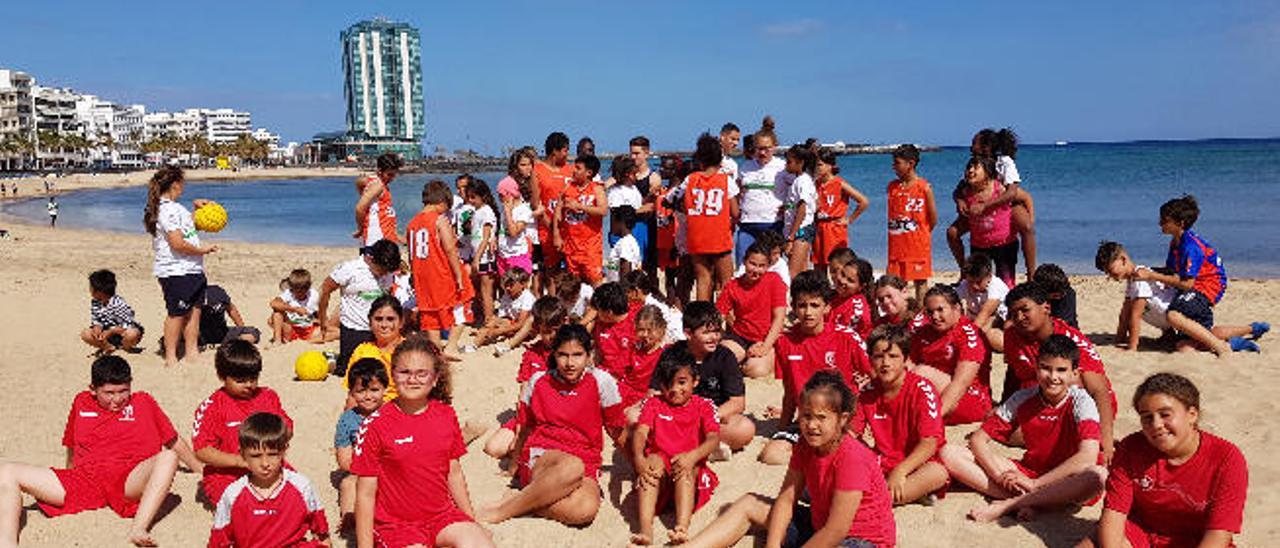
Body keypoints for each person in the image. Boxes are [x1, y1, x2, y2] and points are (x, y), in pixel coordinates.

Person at [680, 371, 896, 548]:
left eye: (822, 418)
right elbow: (786, 499)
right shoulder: (804, 443)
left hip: (862, 541)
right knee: (749, 503)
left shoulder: (852, 457)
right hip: (819, 525)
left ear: (843, 419)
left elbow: (837, 530)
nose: (812, 425)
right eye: (806, 416)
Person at [0, 356, 181, 547]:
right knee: (7, 471)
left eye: (123, 391)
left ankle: (138, 528)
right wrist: (68, 472)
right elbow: (71, 445)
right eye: (109, 393)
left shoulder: (143, 402)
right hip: (85, 479)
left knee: (169, 457)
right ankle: (6, 542)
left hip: (127, 478)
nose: (118, 399)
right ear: (93, 389)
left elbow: (173, 439)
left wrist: (201, 468)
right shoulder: (81, 402)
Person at [941, 335, 1108, 522]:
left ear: (1074, 374)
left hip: (1066, 478)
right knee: (949, 453)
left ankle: (1011, 503)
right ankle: (1034, 501)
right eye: (1045, 368)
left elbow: (1087, 457)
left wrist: (1035, 484)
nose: (1053, 377)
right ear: (1036, 368)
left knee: (1098, 476)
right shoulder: (1023, 397)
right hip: (1030, 471)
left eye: (1061, 370)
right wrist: (999, 476)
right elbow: (978, 439)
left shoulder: (1081, 401)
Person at [352, 334, 494, 548]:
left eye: (421, 373)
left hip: (442, 517)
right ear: (392, 375)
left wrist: (471, 522)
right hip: (396, 526)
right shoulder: (374, 425)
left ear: (435, 378)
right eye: (405, 372)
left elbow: (453, 472)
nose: (412, 379)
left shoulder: (446, 414)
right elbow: (365, 493)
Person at [1077, 373, 1248, 548]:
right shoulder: (1130, 449)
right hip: (1141, 533)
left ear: (1192, 414)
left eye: (1165, 414)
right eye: (1147, 417)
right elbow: (1114, 515)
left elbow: (1218, 535)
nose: (1156, 424)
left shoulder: (1226, 458)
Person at [477, 325, 625, 526]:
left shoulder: (602, 382)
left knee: (585, 510)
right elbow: (525, 427)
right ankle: (504, 511)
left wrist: (639, 465)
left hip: (586, 459)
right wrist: (514, 465)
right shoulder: (538, 381)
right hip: (542, 455)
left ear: (589, 355)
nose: (570, 363)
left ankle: (524, 500)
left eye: (577, 355)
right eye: (563, 355)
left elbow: (616, 430)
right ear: (554, 355)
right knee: (572, 466)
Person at [760, 270, 872, 466]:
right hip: (808, 420)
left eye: (814, 305)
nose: (808, 312)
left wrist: (869, 418)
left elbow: (875, 377)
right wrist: (782, 427)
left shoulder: (846, 336)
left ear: (827, 307)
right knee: (771, 455)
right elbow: (790, 390)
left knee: (842, 451)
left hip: (842, 419)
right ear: (793, 307)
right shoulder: (785, 341)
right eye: (802, 306)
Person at [1130, 195, 1261, 356]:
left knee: (1173, 316)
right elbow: (1171, 270)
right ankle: (1250, 329)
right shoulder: (1176, 241)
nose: (1160, 223)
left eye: (1165, 220)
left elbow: (1187, 284)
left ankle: (1222, 347)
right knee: (1186, 346)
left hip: (1207, 287)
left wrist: (1151, 276)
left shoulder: (1191, 246)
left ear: (1180, 223)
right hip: (1194, 286)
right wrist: (1143, 270)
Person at [1001, 282, 1117, 460]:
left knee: (1016, 434)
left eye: (1025, 310)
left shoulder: (1070, 340)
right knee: (997, 423)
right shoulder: (1012, 335)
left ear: (1046, 307)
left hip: (1083, 402)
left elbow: (1099, 391)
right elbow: (1014, 372)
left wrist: (1106, 442)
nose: (1019, 317)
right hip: (1043, 397)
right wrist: (1005, 405)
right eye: (1013, 313)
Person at [1095, 240, 1265, 353]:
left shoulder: (1141, 278)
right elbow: (1125, 313)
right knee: (1187, 346)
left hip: (1186, 315)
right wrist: (1118, 339)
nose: (1111, 275)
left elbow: (1135, 315)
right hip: (1174, 322)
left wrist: (1132, 348)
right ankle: (1252, 329)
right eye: (1107, 273)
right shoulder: (1133, 280)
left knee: (1201, 339)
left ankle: (1236, 340)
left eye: (1111, 270)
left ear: (1124, 260)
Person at [630, 350, 721, 546]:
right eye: (667, 384)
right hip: (661, 468)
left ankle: (681, 527)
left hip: (689, 467)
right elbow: (640, 432)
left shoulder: (704, 405)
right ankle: (645, 530)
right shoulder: (653, 403)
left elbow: (714, 438)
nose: (674, 389)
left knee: (684, 466)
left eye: (681, 382)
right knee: (652, 462)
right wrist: (638, 458)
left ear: (695, 381)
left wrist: (692, 456)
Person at [851, 326, 949, 505]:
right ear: (870, 359)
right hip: (881, 463)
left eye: (893, 356)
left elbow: (929, 442)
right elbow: (851, 433)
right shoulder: (867, 392)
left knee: (937, 473)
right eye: (878, 356)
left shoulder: (922, 388)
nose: (885, 363)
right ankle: (887, 495)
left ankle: (870, 502)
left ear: (905, 359)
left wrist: (900, 471)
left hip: (917, 464)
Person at [193, 340, 294, 505]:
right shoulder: (211, 407)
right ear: (222, 376)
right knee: (244, 507)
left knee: (296, 495)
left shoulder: (268, 396)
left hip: (269, 467)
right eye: (240, 380)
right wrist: (240, 461)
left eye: (253, 379)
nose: (249, 385)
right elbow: (202, 450)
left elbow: (287, 428)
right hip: (228, 476)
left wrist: (278, 437)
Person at [209, 413, 329, 547]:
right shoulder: (233, 494)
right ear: (242, 454)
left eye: (272, 454)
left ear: (284, 450)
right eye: (256, 456)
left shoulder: (301, 486)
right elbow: (219, 540)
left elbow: (322, 533)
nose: (265, 463)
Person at [652, 302, 754, 455]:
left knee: (744, 428)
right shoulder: (672, 354)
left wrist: (704, 417)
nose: (714, 337)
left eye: (717, 331)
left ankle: (691, 447)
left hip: (710, 418)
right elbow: (654, 392)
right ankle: (705, 449)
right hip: (676, 417)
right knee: (634, 417)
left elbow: (737, 403)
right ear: (688, 333)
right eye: (707, 332)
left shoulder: (725, 357)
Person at [143, 165, 218, 367]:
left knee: (195, 312)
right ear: (176, 184)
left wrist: (197, 210)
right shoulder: (166, 210)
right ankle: (170, 356)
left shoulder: (177, 208)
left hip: (192, 269)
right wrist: (203, 250)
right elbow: (177, 243)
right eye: (183, 182)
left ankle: (192, 352)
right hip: (175, 271)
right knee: (176, 314)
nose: (184, 186)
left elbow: (188, 230)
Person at [483, 296, 567, 461]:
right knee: (493, 448)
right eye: (546, 331)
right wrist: (520, 432)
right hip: (534, 416)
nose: (552, 336)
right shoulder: (532, 355)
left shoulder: (572, 352)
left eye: (556, 330)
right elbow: (524, 397)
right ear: (537, 329)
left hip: (561, 418)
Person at [947, 128, 1038, 278]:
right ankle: (964, 270)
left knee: (1026, 227)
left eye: (974, 143)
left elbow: (1011, 193)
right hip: (981, 208)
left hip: (1006, 203)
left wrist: (985, 206)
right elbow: (960, 188)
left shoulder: (1004, 162)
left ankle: (1031, 274)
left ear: (986, 146)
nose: (970, 147)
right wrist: (959, 201)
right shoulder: (974, 165)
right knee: (952, 233)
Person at [910, 284, 994, 425]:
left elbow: (960, 383)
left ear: (957, 308)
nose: (935, 316)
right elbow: (908, 364)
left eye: (940, 310)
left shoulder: (969, 336)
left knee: (921, 372)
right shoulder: (924, 330)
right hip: (937, 392)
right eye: (930, 312)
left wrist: (933, 419)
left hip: (970, 399)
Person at [407, 180, 472, 356]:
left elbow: (411, 254)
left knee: (430, 314)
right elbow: (450, 249)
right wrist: (459, 275)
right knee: (463, 304)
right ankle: (451, 346)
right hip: (442, 273)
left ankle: (435, 348)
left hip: (422, 275)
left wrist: (414, 274)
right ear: (442, 202)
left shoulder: (412, 224)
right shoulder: (439, 220)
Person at [317, 239, 399, 376]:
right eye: (382, 270)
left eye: (388, 271)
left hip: (380, 329)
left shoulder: (388, 271)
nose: (385, 274)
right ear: (371, 259)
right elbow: (325, 289)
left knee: (382, 369)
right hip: (354, 328)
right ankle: (334, 359)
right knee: (350, 371)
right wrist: (323, 318)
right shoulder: (350, 269)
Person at [678, 133, 739, 301]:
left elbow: (681, 203)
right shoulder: (725, 180)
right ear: (720, 160)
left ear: (700, 160)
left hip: (697, 237)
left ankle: (702, 323)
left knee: (703, 280)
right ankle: (727, 323)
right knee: (726, 282)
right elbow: (735, 212)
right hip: (719, 237)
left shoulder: (690, 179)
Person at [717, 241, 788, 379]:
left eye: (762, 266)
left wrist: (765, 347)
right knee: (723, 360)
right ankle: (741, 359)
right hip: (740, 337)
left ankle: (758, 359)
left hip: (766, 338)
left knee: (755, 370)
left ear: (768, 266)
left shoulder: (775, 281)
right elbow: (718, 316)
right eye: (752, 264)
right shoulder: (733, 285)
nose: (756, 270)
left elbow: (779, 317)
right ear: (744, 261)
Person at [333, 358, 388, 531]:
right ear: (351, 393)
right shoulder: (347, 420)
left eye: (374, 390)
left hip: (389, 470)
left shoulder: (392, 414)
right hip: (359, 471)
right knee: (348, 484)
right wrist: (365, 470)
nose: (368, 396)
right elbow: (343, 459)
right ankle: (349, 517)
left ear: (384, 389)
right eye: (361, 391)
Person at [956, 155, 1024, 287]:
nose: (970, 170)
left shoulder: (1000, 189)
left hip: (1004, 244)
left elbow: (1025, 197)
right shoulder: (966, 192)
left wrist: (1029, 220)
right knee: (977, 281)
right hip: (978, 245)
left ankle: (1006, 306)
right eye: (968, 167)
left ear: (988, 172)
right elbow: (956, 194)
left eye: (976, 167)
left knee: (1006, 282)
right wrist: (959, 201)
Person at [886, 144, 937, 304]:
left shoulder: (924, 187)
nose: (894, 167)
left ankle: (921, 316)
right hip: (896, 245)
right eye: (893, 163)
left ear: (911, 163)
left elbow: (933, 217)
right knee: (896, 283)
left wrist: (921, 233)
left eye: (897, 163)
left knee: (920, 282)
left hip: (917, 243)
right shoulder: (892, 187)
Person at [734, 116, 787, 264]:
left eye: (767, 149)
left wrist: (788, 208)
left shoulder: (782, 167)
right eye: (759, 149)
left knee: (770, 269)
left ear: (774, 147)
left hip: (772, 226)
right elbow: (737, 192)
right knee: (743, 267)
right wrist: (736, 213)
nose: (762, 153)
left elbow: (798, 193)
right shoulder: (746, 167)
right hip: (747, 225)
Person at [553, 154, 607, 286]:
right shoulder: (568, 187)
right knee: (573, 285)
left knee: (595, 283)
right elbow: (558, 211)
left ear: (589, 173)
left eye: (578, 168)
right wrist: (556, 234)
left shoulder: (596, 188)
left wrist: (580, 206)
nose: (574, 171)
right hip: (571, 246)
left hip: (591, 248)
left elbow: (603, 210)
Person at [531, 132, 574, 292]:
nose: (567, 154)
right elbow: (536, 204)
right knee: (552, 272)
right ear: (554, 151)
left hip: (570, 228)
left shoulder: (570, 170)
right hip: (547, 229)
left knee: (571, 270)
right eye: (565, 150)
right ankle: (552, 306)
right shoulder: (539, 171)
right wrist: (552, 227)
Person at [343, 295, 406, 401]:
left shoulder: (410, 350)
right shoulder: (362, 351)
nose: (384, 325)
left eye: (390, 319)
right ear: (370, 322)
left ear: (401, 322)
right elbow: (353, 392)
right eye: (378, 319)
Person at [812, 150, 869, 268]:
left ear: (829, 166)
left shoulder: (839, 183)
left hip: (834, 228)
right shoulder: (816, 184)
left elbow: (863, 201)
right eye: (816, 165)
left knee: (838, 263)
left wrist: (849, 219)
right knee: (818, 263)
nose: (817, 168)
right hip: (819, 227)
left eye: (820, 165)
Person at [618, 305, 669, 420]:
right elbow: (619, 371)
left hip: (648, 397)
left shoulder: (666, 353)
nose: (645, 334)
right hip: (626, 392)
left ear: (661, 329)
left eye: (650, 330)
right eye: (641, 330)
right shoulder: (633, 347)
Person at [82, 269, 144, 355]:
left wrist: (111, 332)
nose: (90, 290)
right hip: (107, 333)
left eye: (91, 288)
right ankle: (108, 346)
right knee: (86, 334)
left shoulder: (118, 304)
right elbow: (96, 318)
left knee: (132, 333)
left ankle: (126, 347)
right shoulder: (96, 302)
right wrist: (97, 327)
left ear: (99, 292)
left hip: (121, 332)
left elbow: (128, 325)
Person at [472, 267, 534, 349]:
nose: (508, 288)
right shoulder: (506, 295)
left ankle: (482, 338)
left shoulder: (527, 298)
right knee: (493, 321)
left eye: (511, 285)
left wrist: (499, 331)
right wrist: (492, 322)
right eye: (506, 285)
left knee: (497, 326)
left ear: (523, 284)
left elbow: (521, 324)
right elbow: (502, 316)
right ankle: (476, 342)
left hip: (526, 329)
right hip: (512, 323)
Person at [780, 144, 818, 278]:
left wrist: (791, 236)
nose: (786, 165)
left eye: (789, 162)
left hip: (800, 231)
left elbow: (802, 208)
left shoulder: (803, 181)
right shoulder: (798, 180)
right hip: (797, 230)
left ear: (800, 163)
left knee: (793, 274)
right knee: (801, 272)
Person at [957, 253, 1009, 348]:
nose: (974, 286)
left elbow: (984, 316)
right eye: (971, 282)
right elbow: (953, 303)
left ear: (989, 277)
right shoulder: (964, 285)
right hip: (979, 321)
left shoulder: (996, 287)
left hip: (999, 323)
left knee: (991, 335)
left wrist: (966, 337)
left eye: (978, 282)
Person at [354, 153, 404, 246]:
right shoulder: (378, 186)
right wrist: (360, 228)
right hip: (377, 239)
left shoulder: (378, 183)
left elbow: (359, 181)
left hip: (386, 236)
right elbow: (360, 208)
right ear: (380, 171)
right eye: (389, 175)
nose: (392, 178)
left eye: (394, 175)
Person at [497, 162, 537, 278]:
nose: (499, 198)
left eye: (501, 195)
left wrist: (508, 213)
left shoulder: (523, 210)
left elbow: (514, 232)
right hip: (503, 255)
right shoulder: (505, 209)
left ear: (509, 194)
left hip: (516, 256)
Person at [621, 270, 684, 343]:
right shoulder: (654, 299)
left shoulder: (652, 306)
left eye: (627, 292)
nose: (626, 295)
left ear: (636, 291)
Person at [589, 282, 635, 379]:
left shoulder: (637, 325)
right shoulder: (601, 323)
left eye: (598, 310)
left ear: (609, 312)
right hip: (599, 373)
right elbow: (597, 350)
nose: (596, 313)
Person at [827, 250, 874, 339]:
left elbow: (848, 342)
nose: (842, 281)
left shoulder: (857, 310)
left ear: (860, 287)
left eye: (850, 281)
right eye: (843, 274)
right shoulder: (834, 295)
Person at [267, 269, 322, 344]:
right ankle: (277, 341)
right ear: (292, 288)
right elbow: (273, 303)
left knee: (335, 332)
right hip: (292, 328)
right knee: (276, 314)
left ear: (308, 287)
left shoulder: (314, 294)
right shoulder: (289, 293)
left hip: (309, 328)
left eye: (303, 290)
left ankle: (308, 341)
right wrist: (295, 309)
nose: (299, 293)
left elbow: (319, 313)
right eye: (296, 290)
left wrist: (318, 320)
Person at [196, 285, 261, 347]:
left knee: (253, 332)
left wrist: (241, 329)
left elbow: (231, 309)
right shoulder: (192, 296)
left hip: (222, 333)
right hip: (200, 335)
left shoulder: (217, 292)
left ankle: (236, 344)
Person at [1034, 263, 1079, 328]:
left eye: (1062, 293)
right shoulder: (1035, 296)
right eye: (1056, 295)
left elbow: (1062, 324)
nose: (1062, 295)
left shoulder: (1068, 294)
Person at [606, 205, 642, 283]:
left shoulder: (625, 243)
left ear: (621, 223)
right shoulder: (629, 241)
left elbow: (625, 268)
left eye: (613, 222)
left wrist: (622, 291)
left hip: (619, 290)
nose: (611, 226)